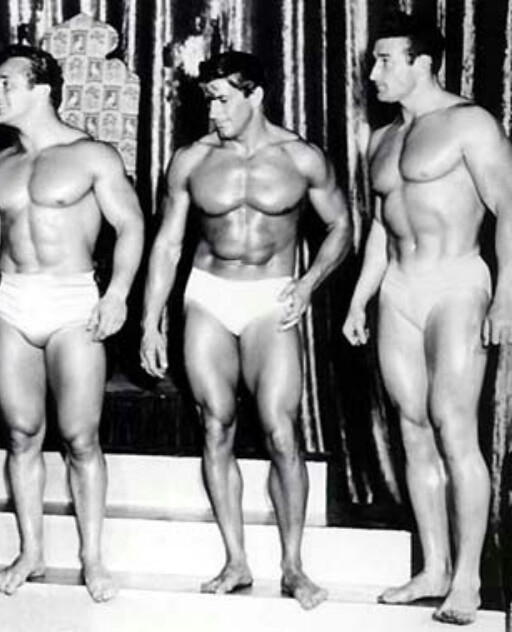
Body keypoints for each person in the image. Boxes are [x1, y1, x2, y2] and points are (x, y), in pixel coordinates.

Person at [140, 51, 351, 610]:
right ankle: (235, 560)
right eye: (207, 100)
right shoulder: (191, 160)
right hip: (207, 295)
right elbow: (168, 243)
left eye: (222, 100)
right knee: (216, 424)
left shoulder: (301, 157)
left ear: (254, 94)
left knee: (281, 429)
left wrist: (308, 283)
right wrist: (150, 320)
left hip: (269, 296)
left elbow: (341, 226)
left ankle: (293, 566)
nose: (212, 112)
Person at [0, 45, 144, 602]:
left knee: (81, 437)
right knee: (21, 434)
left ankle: (92, 557)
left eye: (6, 83)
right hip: (13, 302)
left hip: (72, 302)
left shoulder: (92, 155)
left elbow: (130, 225)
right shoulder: (0, 166)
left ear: (42, 90)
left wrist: (118, 294)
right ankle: (31, 551)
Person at [342, 11, 512, 626]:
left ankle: (468, 578)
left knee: (452, 423)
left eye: (385, 61)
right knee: (412, 428)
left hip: (457, 282)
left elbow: (509, 208)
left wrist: (506, 296)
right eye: (373, 60)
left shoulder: (470, 123)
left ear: (422, 63)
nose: (373, 73)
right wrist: (360, 298)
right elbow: (381, 230)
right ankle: (434, 568)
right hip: (398, 289)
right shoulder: (381, 139)